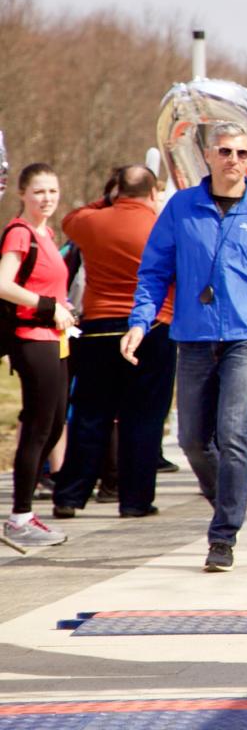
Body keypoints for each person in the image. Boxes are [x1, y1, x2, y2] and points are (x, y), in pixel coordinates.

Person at [123, 122, 247, 572]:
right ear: (207, 155)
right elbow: (153, 272)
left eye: (243, 154)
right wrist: (140, 322)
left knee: (233, 433)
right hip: (194, 337)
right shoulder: (181, 208)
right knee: (191, 440)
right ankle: (224, 496)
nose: (234, 161)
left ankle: (223, 535)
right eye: (225, 152)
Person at [53, 166, 177, 520]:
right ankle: (135, 500)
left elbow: (73, 218)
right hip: (153, 326)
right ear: (153, 192)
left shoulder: (92, 222)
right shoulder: (163, 226)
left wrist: (108, 200)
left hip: (100, 327)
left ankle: (70, 495)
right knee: (144, 417)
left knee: (91, 414)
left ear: (116, 191)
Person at [0, 164, 77, 548]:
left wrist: (63, 309)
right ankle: (19, 516)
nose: (47, 199)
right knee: (39, 425)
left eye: (52, 191)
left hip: (56, 337)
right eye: (39, 192)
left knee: (56, 420)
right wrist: (47, 306)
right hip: (32, 338)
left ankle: (25, 512)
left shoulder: (47, 233)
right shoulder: (20, 233)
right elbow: (3, 284)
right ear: (23, 194)